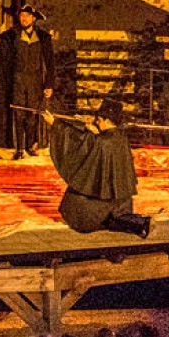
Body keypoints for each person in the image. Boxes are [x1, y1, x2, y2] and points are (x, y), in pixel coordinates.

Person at [45, 102, 151, 237]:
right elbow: (93, 137)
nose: (97, 122)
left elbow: (82, 141)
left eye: (99, 120)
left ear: (107, 120)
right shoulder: (120, 137)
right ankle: (137, 222)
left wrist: (55, 125)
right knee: (116, 217)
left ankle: (138, 223)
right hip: (120, 201)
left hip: (99, 205)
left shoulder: (101, 142)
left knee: (77, 202)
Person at [0, 4, 55, 158]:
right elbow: (2, 52)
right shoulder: (12, 36)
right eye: (22, 16)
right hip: (17, 81)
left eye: (27, 16)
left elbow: (50, 62)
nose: (24, 19)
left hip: (35, 82)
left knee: (32, 115)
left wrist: (49, 84)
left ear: (33, 19)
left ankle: (31, 145)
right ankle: (19, 148)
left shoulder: (43, 37)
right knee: (18, 114)